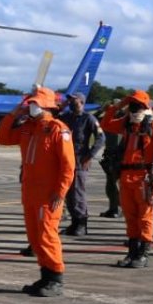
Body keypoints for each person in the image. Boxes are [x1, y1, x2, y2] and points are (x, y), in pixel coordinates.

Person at [0, 87, 75, 296]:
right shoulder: (28, 128)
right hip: (30, 192)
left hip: (48, 194)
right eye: (30, 103)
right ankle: (45, 276)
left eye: (35, 103)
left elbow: (68, 166)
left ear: (48, 105)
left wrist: (60, 192)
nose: (31, 106)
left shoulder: (58, 129)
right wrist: (16, 112)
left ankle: (55, 279)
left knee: (47, 235)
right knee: (34, 236)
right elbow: (2, 137)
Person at [100, 90, 153, 268]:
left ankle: (143, 254)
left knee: (145, 217)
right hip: (125, 176)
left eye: (137, 105)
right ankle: (132, 252)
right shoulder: (126, 124)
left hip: (144, 178)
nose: (133, 108)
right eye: (131, 105)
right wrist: (118, 106)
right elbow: (106, 123)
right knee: (130, 217)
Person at [58, 92, 104, 236]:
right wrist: (62, 106)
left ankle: (81, 224)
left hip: (79, 161)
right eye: (69, 100)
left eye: (74, 100)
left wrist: (90, 155)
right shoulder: (66, 117)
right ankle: (74, 223)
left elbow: (101, 138)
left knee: (78, 194)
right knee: (69, 195)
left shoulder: (88, 118)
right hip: (65, 161)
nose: (71, 102)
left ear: (82, 102)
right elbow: (51, 117)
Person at [97, 109, 122, 218]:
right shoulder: (107, 122)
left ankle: (119, 209)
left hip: (119, 157)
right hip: (110, 157)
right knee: (110, 186)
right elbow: (94, 119)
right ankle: (113, 208)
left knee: (117, 185)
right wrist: (101, 109)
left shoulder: (124, 123)